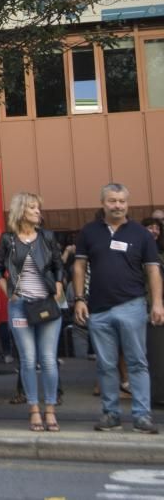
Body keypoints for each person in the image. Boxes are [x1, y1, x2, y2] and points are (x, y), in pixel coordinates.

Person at [73, 183, 164, 434]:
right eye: (112, 201)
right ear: (103, 203)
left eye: (122, 201)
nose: (118, 206)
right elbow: (79, 267)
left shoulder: (141, 234)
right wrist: (79, 298)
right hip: (98, 310)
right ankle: (111, 414)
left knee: (137, 363)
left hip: (132, 306)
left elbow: (153, 270)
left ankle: (142, 416)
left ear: (127, 203)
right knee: (105, 365)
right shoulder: (89, 232)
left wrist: (157, 302)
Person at [0, 192, 65, 432]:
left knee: (48, 360)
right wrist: (8, 292)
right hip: (20, 306)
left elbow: (58, 265)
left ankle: (51, 409)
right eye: (33, 208)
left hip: (45, 304)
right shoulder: (8, 239)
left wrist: (58, 285)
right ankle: (34, 409)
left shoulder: (47, 236)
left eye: (38, 208)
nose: (38, 212)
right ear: (22, 211)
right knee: (28, 359)